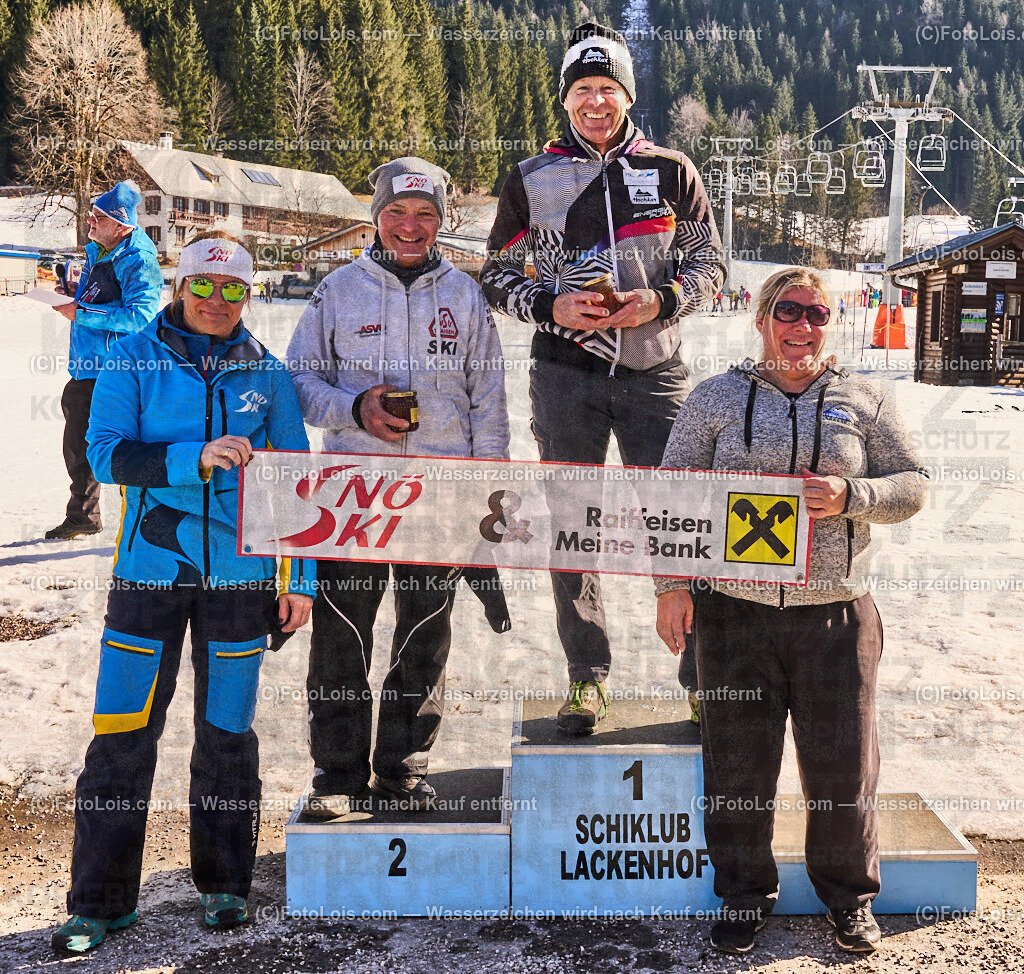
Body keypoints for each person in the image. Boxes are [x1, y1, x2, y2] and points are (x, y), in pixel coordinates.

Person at [51, 232, 315, 955]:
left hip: (240, 582)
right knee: (121, 735)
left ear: (248, 296)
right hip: (146, 577)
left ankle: (225, 885)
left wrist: (302, 583)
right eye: (204, 286)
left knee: (228, 734)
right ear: (180, 287)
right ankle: (99, 903)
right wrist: (190, 459)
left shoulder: (270, 373)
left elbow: (296, 482)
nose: (217, 302)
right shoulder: (131, 356)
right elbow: (106, 454)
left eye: (233, 291)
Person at [654, 267, 929, 956]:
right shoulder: (716, 397)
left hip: (836, 614)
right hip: (733, 613)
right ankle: (744, 896)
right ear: (761, 315)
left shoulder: (864, 398)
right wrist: (671, 586)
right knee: (739, 763)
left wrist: (851, 495)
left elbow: (914, 484)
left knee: (841, 765)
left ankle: (849, 899)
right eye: (787, 311)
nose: (801, 327)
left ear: (830, 323)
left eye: (815, 313)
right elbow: (670, 496)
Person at [481, 22, 725, 733]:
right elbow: (495, 274)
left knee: (680, 522)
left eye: (607, 88)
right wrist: (549, 304)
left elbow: (711, 265)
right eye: (582, 89)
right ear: (565, 100)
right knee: (572, 526)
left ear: (627, 95)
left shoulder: (673, 169)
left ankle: (700, 675)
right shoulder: (530, 177)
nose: (595, 101)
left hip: (656, 369)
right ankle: (586, 678)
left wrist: (662, 299)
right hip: (565, 373)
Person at [287, 157, 510, 818]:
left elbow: (489, 403)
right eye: (396, 213)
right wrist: (354, 411)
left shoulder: (465, 296)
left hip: (439, 494)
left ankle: (402, 767)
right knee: (342, 637)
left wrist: (484, 498)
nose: (410, 226)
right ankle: (337, 772)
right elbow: (296, 383)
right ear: (376, 218)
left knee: (425, 633)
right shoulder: (339, 289)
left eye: (425, 214)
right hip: (353, 493)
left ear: (441, 221)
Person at [47, 181, 163, 540]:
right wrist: (72, 295)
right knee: (78, 447)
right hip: (87, 369)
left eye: (99, 217)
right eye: (91, 214)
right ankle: (84, 517)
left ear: (121, 224)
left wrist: (81, 314)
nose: (90, 221)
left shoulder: (138, 259)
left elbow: (141, 317)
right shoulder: (100, 250)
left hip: (118, 372)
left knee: (122, 450)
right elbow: (99, 299)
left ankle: (144, 523)